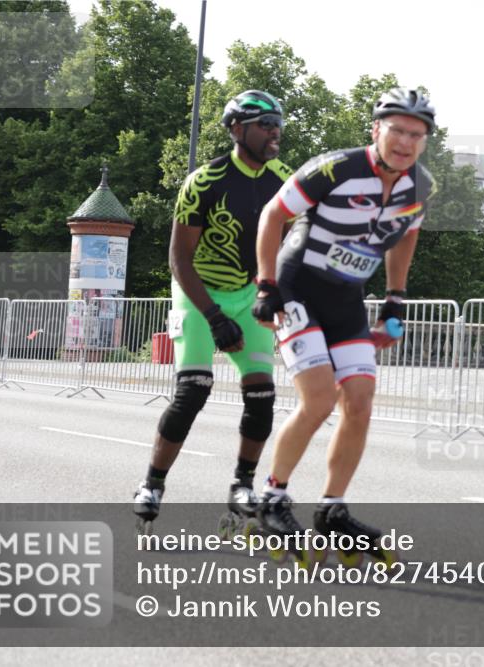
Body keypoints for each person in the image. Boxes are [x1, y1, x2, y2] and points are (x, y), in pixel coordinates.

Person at [252, 88, 436, 546]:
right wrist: (266, 284)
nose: (406, 142)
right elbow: (272, 215)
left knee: (359, 401)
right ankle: (272, 499)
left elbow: (407, 237)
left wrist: (395, 297)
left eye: (417, 134)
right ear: (376, 129)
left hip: (346, 297)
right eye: (397, 130)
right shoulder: (335, 168)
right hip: (298, 287)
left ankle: (332, 506)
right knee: (317, 399)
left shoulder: (421, 186)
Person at [132, 90, 294, 529]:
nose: (274, 131)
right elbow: (179, 259)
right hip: (199, 289)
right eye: (264, 124)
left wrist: (276, 291)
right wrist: (214, 317)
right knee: (194, 389)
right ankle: (152, 483)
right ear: (237, 129)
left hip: (248, 293)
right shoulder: (204, 181)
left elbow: (297, 244)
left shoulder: (285, 180)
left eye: (277, 123)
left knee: (262, 393)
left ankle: (242, 483)